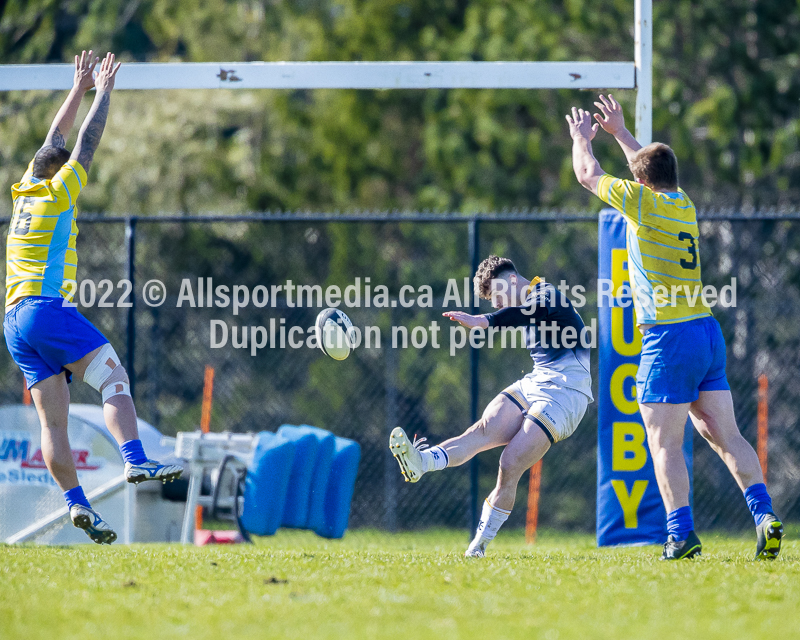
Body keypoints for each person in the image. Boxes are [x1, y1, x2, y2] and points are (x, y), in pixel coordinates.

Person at [566, 94, 783, 560]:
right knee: (725, 435)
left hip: (668, 337)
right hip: (705, 332)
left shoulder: (640, 203)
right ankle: (764, 515)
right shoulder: (682, 202)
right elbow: (646, 166)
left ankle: (680, 534)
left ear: (641, 180)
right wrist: (622, 134)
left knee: (663, 441)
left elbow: (587, 174)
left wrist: (582, 139)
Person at [4, 51, 182, 545]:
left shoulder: (24, 191)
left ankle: (75, 504)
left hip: (13, 319)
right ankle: (135, 461)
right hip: (44, 309)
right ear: (59, 174)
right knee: (113, 376)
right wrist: (103, 90)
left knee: (53, 421)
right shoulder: (60, 192)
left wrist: (76, 87)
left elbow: (52, 143)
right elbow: (83, 144)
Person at [390, 255, 592, 557]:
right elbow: (520, 314)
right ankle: (422, 462)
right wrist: (492, 317)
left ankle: (480, 545)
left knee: (509, 464)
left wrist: (485, 321)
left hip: (566, 393)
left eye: (497, 295)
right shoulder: (523, 305)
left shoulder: (547, 295)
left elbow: (528, 310)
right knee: (482, 430)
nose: (497, 304)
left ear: (512, 280)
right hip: (537, 381)